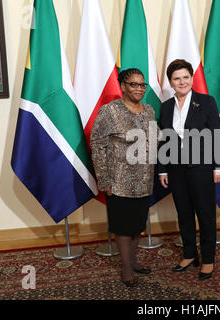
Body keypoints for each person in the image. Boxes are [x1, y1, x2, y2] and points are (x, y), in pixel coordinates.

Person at [158, 59, 220, 280]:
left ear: (192, 78)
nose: (182, 81)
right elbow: (163, 140)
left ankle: (207, 259)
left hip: (202, 169)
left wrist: (219, 165)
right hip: (176, 170)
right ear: (171, 82)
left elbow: (216, 134)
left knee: (205, 215)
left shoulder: (206, 102)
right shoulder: (166, 107)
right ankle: (188, 254)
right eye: (176, 78)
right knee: (184, 214)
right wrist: (163, 170)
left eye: (185, 77)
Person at [90, 68, 156, 287]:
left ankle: (134, 261)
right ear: (123, 86)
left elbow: (153, 144)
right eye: (133, 84)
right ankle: (126, 268)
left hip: (144, 180)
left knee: (137, 225)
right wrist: (105, 180)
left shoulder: (149, 111)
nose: (139, 88)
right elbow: (98, 146)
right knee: (123, 227)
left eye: (142, 84)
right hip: (119, 181)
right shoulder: (109, 111)